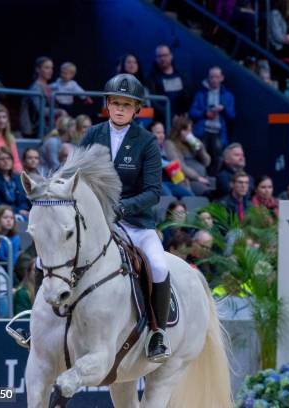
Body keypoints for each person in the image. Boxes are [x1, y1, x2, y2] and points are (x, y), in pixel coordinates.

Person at [80, 73, 170, 362]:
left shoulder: (146, 142)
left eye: (126, 105)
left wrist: (122, 208)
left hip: (135, 223)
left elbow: (153, 192)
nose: (119, 109)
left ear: (136, 109)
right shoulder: (92, 135)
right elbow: (75, 175)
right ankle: (42, 325)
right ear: (107, 104)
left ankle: (158, 332)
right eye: (115, 103)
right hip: (94, 222)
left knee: (158, 266)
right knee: (50, 258)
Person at [189, 66, 236, 174]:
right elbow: (192, 112)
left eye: (217, 77)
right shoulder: (200, 94)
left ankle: (214, 177)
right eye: (211, 77)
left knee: (219, 154)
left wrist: (223, 109)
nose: (214, 79)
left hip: (219, 132)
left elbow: (232, 116)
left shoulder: (228, 95)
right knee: (199, 152)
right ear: (208, 78)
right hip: (202, 131)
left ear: (222, 78)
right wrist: (205, 113)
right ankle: (201, 175)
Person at [164, 115, 212, 196]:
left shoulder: (191, 143)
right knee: (208, 194)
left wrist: (200, 148)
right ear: (179, 131)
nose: (190, 134)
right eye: (187, 131)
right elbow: (180, 165)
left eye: (190, 131)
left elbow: (207, 162)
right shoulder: (170, 144)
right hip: (190, 180)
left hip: (203, 178)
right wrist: (197, 177)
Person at [151, 121, 193, 199]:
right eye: (158, 132)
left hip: (169, 182)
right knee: (169, 198)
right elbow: (156, 160)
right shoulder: (147, 147)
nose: (161, 135)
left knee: (190, 196)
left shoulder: (164, 148)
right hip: (156, 183)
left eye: (163, 132)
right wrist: (169, 164)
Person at [147, 45, 191, 117]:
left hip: (182, 117)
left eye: (165, 55)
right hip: (162, 118)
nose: (163, 58)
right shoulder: (152, 78)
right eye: (160, 56)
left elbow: (188, 95)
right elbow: (153, 102)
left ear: (171, 56)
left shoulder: (181, 75)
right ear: (156, 58)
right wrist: (171, 116)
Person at [20, 56, 54, 138]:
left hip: (47, 124)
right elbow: (40, 109)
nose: (50, 71)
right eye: (47, 68)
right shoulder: (35, 87)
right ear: (38, 69)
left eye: (51, 68)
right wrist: (58, 111)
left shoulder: (50, 87)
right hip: (35, 128)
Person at [0, 147, 30, 218]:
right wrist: (17, 211)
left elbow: (24, 200)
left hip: (23, 213)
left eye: (8, 158)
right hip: (2, 215)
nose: (6, 161)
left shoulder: (19, 178)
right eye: (2, 159)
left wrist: (24, 210)